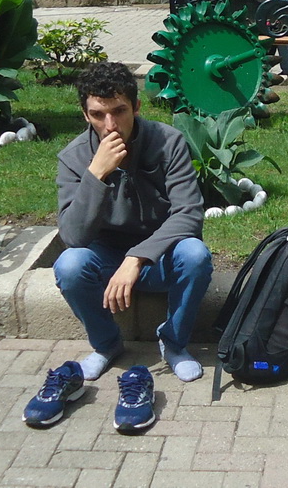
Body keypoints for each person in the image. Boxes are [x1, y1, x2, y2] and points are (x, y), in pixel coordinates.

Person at [50, 62, 213, 386]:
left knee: (195, 254)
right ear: (85, 115)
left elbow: (189, 214)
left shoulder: (168, 142)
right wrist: (96, 175)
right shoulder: (74, 157)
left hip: (160, 256)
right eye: (98, 115)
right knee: (69, 265)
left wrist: (137, 257)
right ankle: (106, 344)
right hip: (106, 260)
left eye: (119, 111)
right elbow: (72, 236)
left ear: (136, 107)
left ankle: (174, 343)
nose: (110, 125)